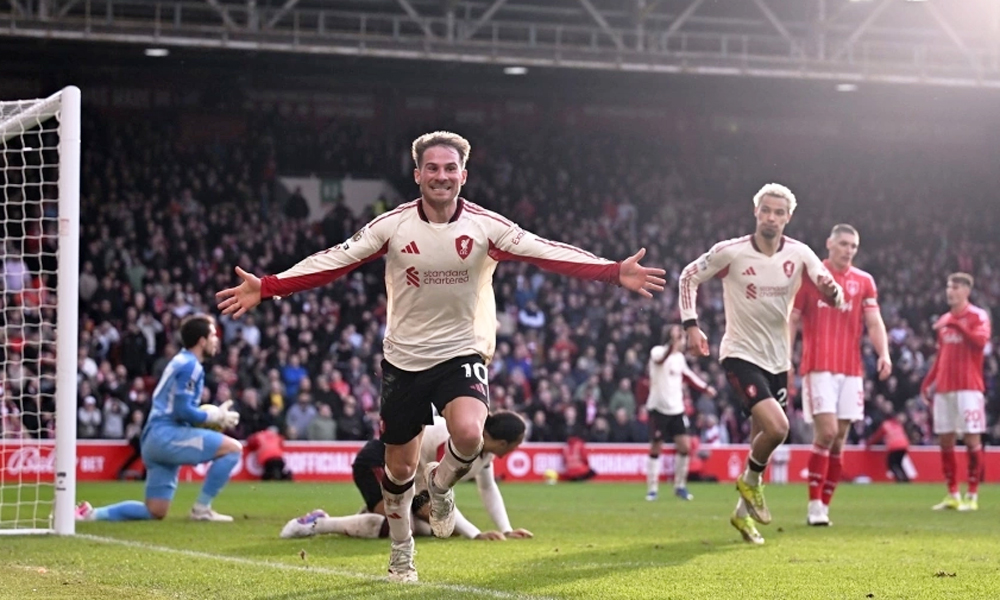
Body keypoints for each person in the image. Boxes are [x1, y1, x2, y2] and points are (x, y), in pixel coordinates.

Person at [216, 130, 666, 582]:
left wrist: (612, 271)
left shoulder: (486, 227)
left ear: (463, 176)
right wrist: (268, 287)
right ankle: (401, 553)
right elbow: (334, 259)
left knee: (469, 434)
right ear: (417, 175)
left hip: (460, 351)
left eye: (450, 168)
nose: (441, 176)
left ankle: (441, 484)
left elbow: (545, 251)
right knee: (398, 470)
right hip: (403, 359)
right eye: (432, 168)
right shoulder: (393, 226)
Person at [678, 183, 843, 545]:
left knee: (761, 439)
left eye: (778, 212)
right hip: (740, 354)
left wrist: (833, 293)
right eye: (766, 210)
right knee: (778, 428)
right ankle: (750, 482)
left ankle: (741, 516)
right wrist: (691, 325)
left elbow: (830, 288)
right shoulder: (732, 252)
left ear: (788, 217)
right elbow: (688, 275)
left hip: (778, 361)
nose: (771, 217)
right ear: (756, 212)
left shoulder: (799, 253)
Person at [76, 315, 242, 522]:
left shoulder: (180, 361)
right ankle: (202, 509)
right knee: (233, 449)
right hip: (167, 435)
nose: (216, 340)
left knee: (154, 511)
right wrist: (213, 416)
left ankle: (91, 514)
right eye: (213, 336)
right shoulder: (191, 366)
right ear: (202, 341)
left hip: (154, 438)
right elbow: (182, 411)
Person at [280, 412, 532, 541]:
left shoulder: (484, 452)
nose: (517, 449)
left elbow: (487, 488)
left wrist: (506, 529)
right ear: (502, 443)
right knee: (402, 526)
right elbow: (440, 492)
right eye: (517, 444)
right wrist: (475, 534)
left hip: (413, 480)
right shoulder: (461, 440)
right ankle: (317, 523)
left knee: (438, 529)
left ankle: (371, 513)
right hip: (381, 462)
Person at [788, 223, 891, 526]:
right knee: (827, 433)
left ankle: (824, 505)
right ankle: (813, 504)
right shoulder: (810, 276)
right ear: (829, 244)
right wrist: (785, 357)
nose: (848, 250)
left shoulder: (864, 281)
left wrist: (884, 353)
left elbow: (874, 322)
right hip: (817, 367)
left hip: (851, 370)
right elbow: (792, 319)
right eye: (843, 244)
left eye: (853, 246)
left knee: (839, 440)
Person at [921, 273, 990, 512]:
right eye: (949, 287)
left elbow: (980, 342)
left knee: (972, 441)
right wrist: (928, 381)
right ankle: (952, 494)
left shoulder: (977, 316)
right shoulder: (945, 320)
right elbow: (941, 355)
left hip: (969, 387)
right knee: (945, 441)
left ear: (966, 291)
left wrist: (957, 326)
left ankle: (972, 495)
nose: (951, 291)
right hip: (944, 388)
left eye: (956, 287)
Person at [645, 325, 716, 502]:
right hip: (658, 408)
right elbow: (661, 360)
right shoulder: (657, 352)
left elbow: (689, 376)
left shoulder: (679, 358)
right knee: (656, 446)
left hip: (676, 409)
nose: (682, 339)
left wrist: (705, 388)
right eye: (679, 336)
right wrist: (672, 343)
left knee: (685, 447)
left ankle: (680, 486)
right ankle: (652, 488)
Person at [867, 411, 912, 483]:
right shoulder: (898, 424)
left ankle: (899, 479)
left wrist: (869, 444)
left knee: (891, 464)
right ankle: (906, 479)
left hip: (894, 446)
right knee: (899, 463)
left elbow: (877, 436)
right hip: (904, 445)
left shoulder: (885, 425)